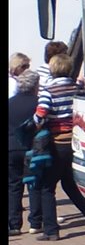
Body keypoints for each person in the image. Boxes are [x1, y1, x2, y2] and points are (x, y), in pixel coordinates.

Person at [33, 53, 85, 241]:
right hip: (74, 141)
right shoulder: (78, 87)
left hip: (57, 141)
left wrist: (35, 123)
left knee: (47, 187)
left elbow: (40, 115)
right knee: (68, 182)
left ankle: (51, 230)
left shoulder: (48, 90)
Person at [8, 69, 42, 235]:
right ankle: (35, 222)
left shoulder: (10, 102)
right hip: (31, 147)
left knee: (14, 186)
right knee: (33, 184)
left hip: (12, 147)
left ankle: (14, 224)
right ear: (35, 85)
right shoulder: (38, 103)